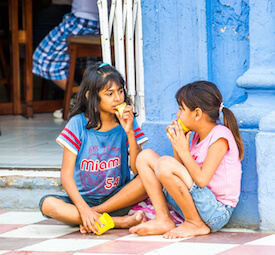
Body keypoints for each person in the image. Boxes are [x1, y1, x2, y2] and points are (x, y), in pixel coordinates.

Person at [39, 63, 148, 234]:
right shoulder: (78, 124)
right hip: (83, 201)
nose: (118, 98)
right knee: (48, 205)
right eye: (109, 94)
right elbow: (66, 175)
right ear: (91, 97)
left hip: (118, 199)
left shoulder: (127, 121)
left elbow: (136, 168)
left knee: (147, 180)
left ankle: (94, 217)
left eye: (120, 91)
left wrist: (129, 132)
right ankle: (115, 221)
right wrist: (83, 208)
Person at [129, 81, 244, 239]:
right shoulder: (196, 135)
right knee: (145, 157)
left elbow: (202, 180)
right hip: (196, 203)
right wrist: (178, 146)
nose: (177, 114)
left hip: (216, 211)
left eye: (181, 109)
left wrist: (183, 150)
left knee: (164, 164)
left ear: (197, 114)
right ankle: (164, 219)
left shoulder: (220, 137)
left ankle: (195, 223)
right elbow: (180, 172)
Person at [32, 0, 101, 118]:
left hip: (83, 18)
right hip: (101, 20)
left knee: (42, 58)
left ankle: (83, 99)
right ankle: (88, 100)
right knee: (84, 64)